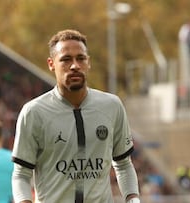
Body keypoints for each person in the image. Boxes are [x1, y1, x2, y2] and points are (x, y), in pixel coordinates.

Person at [12, 29, 140, 203]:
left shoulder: (112, 106)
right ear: (51, 64)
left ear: (88, 62)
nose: (74, 66)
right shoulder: (34, 112)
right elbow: (21, 174)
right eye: (66, 59)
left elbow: (124, 164)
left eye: (80, 58)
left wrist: (133, 199)